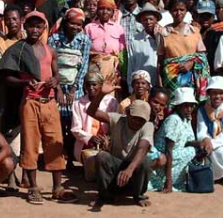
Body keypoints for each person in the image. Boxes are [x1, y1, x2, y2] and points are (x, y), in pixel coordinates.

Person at [10, 11, 74, 203]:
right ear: (25, 26)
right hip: (30, 101)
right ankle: (33, 188)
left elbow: (57, 74)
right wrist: (23, 83)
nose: (35, 30)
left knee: (55, 141)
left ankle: (57, 187)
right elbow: (7, 75)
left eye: (39, 26)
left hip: (49, 102)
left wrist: (56, 82)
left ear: (44, 28)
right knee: (30, 143)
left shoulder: (50, 51)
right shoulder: (18, 49)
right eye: (31, 26)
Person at [87, 81, 154, 210]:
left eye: (142, 120)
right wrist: (101, 94)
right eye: (135, 118)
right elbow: (91, 112)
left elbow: (143, 148)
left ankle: (138, 195)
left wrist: (130, 169)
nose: (138, 122)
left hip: (132, 172)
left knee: (145, 161)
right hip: (116, 167)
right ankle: (105, 195)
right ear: (128, 113)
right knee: (102, 156)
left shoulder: (148, 126)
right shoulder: (117, 119)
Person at [48, 7, 91, 166]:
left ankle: (72, 157)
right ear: (66, 23)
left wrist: (73, 90)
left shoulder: (84, 40)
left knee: (74, 122)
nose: (76, 27)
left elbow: (83, 66)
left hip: (76, 87)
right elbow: (51, 66)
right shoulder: (53, 39)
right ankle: (58, 156)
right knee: (57, 122)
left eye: (79, 25)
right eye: (72, 23)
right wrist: (58, 89)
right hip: (57, 86)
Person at [157, 0, 209, 101]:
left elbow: (202, 56)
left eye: (182, 9)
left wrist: (192, 63)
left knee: (191, 107)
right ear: (170, 11)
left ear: (186, 11)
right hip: (171, 80)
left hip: (193, 80)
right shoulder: (162, 33)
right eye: (175, 10)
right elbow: (160, 62)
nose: (178, 13)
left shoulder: (194, 31)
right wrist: (160, 84)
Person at [149, 88, 200, 192]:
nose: (189, 109)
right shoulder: (174, 120)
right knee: (191, 151)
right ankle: (166, 181)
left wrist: (202, 143)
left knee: (195, 150)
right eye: (186, 105)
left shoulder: (186, 119)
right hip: (163, 157)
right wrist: (169, 181)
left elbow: (188, 141)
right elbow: (168, 150)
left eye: (191, 105)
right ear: (178, 106)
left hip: (173, 155)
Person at [196, 75, 223, 181]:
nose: (217, 96)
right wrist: (205, 139)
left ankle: (214, 176)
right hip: (208, 141)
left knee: (219, 153)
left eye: (221, 93)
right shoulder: (203, 109)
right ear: (209, 94)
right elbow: (201, 129)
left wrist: (212, 144)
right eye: (214, 93)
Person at [71, 71, 118, 164]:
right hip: (87, 144)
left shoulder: (111, 102)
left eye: (94, 84)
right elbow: (75, 129)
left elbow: (116, 125)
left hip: (107, 142)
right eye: (88, 85)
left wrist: (107, 138)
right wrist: (90, 138)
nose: (90, 88)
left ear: (101, 85)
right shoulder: (78, 104)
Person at [84, 0, 125, 83]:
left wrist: (120, 69)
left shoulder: (118, 28)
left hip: (113, 67)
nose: (105, 12)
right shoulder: (89, 27)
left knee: (110, 91)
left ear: (113, 12)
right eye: (101, 9)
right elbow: (84, 50)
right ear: (97, 11)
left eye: (108, 9)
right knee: (94, 89)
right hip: (93, 65)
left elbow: (122, 51)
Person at [127, 4, 160, 87]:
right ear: (141, 21)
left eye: (151, 19)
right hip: (141, 85)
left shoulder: (164, 37)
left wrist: (158, 38)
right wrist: (131, 87)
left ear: (156, 20)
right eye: (145, 20)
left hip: (159, 83)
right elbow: (131, 65)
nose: (148, 22)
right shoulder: (135, 40)